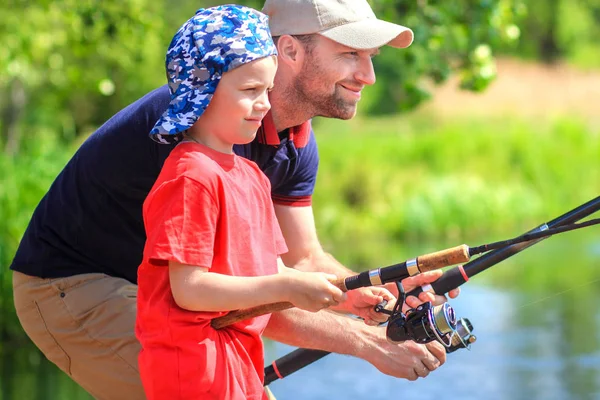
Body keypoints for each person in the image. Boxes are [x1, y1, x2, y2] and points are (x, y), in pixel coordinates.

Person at [11, 0, 458, 399]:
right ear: (290, 51)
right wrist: (366, 343)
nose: (368, 75)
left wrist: (383, 292)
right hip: (77, 285)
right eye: (349, 54)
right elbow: (244, 290)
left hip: (179, 300)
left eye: (370, 57)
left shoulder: (289, 140)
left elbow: (300, 262)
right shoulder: (202, 129)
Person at [136, 6, 348, 399]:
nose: (265, 104)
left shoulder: (251, 176)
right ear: (202, 91)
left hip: (236, 360)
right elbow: (190, 289)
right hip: (191, 364)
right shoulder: (190, 175)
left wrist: (346, 297)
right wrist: (285, 284)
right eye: (250, 91)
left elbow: (273, 268)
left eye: (266, 90)